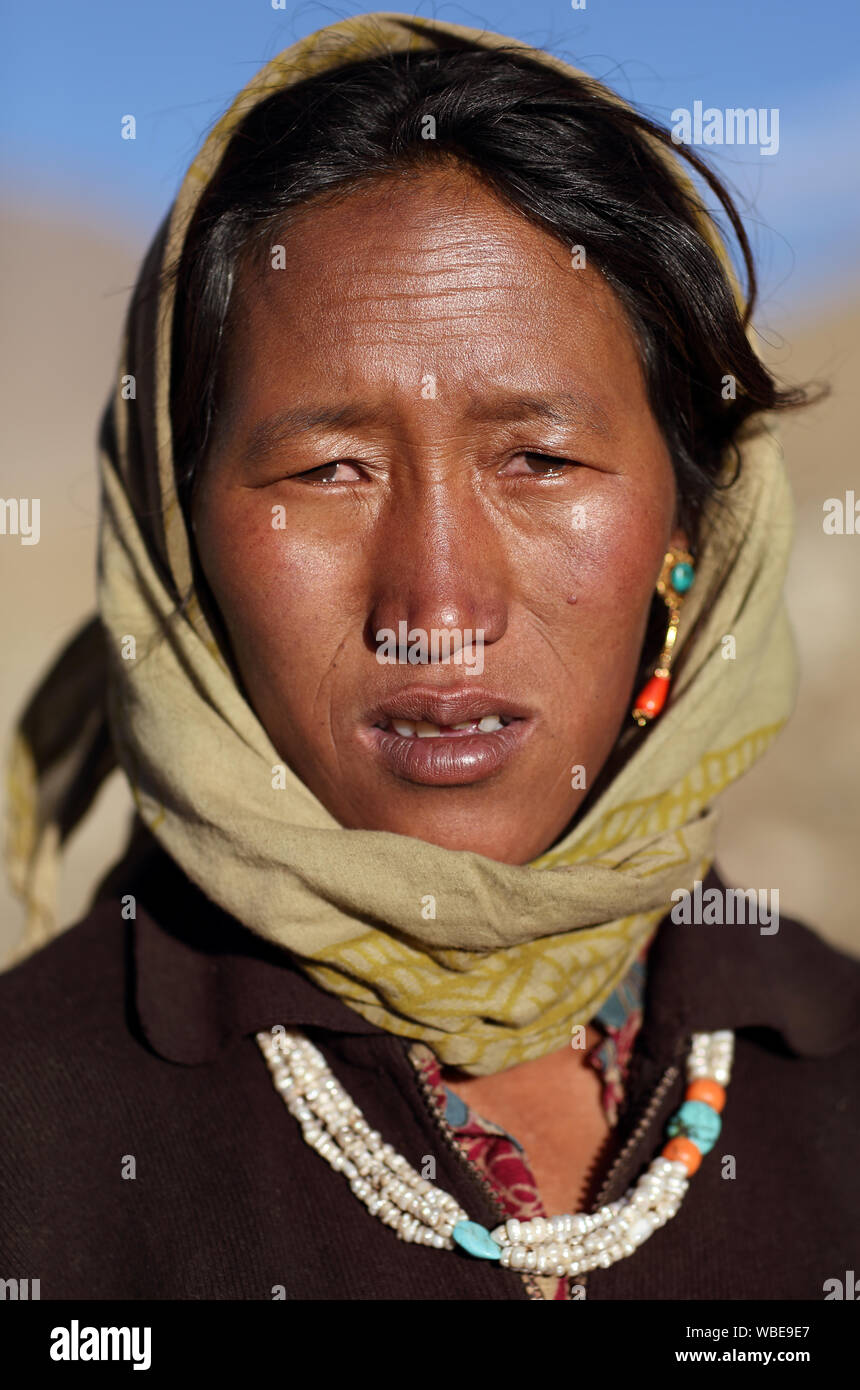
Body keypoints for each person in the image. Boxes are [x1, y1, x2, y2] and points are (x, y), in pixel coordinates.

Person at [1, 12, 857, 1302]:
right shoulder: (37, 1133)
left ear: (689, 532)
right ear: (185, 538)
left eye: (543, 460)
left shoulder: (833, 1066)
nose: (436, 600)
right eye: (327, 470)